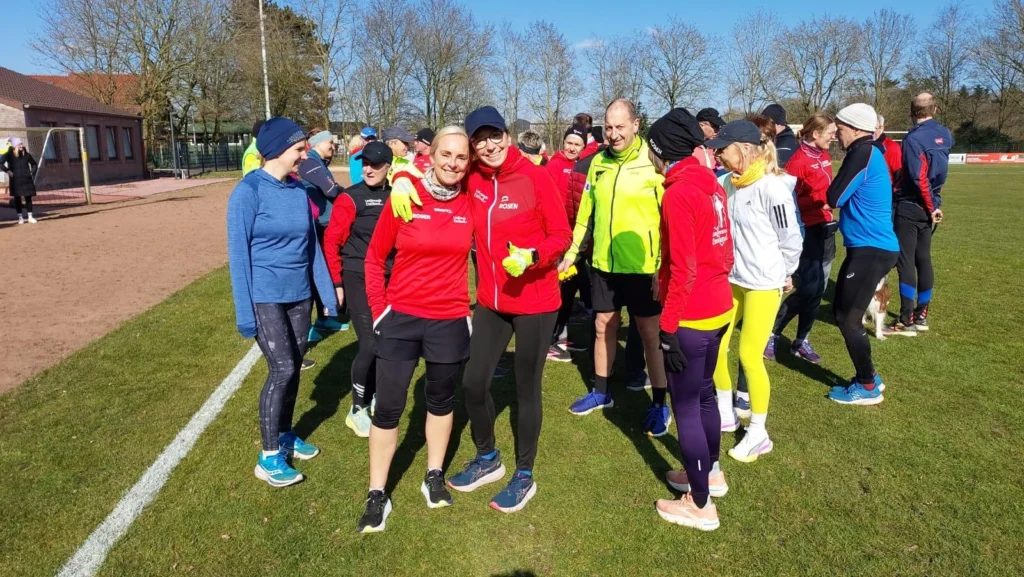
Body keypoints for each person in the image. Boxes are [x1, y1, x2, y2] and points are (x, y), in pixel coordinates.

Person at [390, 106, 572, 512]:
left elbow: (561, 235)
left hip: (536, 302)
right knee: (473, 383)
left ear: (506, 136)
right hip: (492, 300)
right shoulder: (473, 177)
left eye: (494, 135)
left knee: (527, 388)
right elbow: (426, 163)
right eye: (479, 138)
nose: (487, 145)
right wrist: (401, 178)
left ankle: (524, 474)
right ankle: (488, 458)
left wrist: (533, 256)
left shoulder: (535, 177)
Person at [356, 127, 474, 533]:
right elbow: (374, 260)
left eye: (461, 157)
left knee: (440, 400)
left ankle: (434, 475)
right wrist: (378, 312)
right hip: (400, 318)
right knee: (388, 406)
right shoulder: (405, 195)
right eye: (446, 154)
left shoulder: (471, 201)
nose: (453, 163)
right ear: (433, 154)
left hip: (449, 319)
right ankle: (376, 492)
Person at [227, 117, 339, 488]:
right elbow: (239, 258)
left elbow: (312, 250)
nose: (304, 155)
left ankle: (287, 433)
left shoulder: (297, 192)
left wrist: (326, 295)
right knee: (284, 369)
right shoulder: (248, 193)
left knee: (292, 371)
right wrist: (246, 315)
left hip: (299, 297)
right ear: (276, 151)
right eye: (299, 149)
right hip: (265, 297)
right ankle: (269, 455)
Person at [559, 98, 670, 438]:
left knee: (650, 336)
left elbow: (669, 220)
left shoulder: (653, 163)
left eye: (620, 127)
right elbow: (585, 215)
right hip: (603, 264)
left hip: (643, 266)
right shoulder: (597, 164)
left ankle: (660, 403)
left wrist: (663, 268)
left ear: (636, 125)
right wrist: (573, 253)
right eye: (608, 127)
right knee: (602, 326)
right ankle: (601, 391)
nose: (613, 134)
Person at [647, 108, 734, 531]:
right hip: (719, 308)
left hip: (693, 316)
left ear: (661, 151)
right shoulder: (711, 185)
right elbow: (724, 249)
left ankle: (699, 504)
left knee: (686, 407)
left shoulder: (679, 193)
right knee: (703, 397)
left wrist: (667, 328)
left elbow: (685, 269)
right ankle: (708, 474)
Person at [707, 119, 801, 461]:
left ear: (745, 148)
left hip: (763, 283)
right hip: (732, 280)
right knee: (714, 344)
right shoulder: (727, 183)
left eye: (723, 149)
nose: (718, 155)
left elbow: (790, 237)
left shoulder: (772, 187)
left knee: (749, 355)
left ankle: (759, 433)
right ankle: (725, 413)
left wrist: (787, 272)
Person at [825, 103, 900, 405]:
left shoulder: (862, 152)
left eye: (840, 129)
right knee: (843, 314)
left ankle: (867, 386)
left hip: (872, 249)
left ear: (855, 129)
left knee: (849, 319)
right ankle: (869, 377)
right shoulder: (870, 151)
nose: (836, 135)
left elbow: (835, 196)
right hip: (869, 248)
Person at [323, 141, 393, 438]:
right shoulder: (350, 198)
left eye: (376, 164)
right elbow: (331, 241)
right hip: (357, 276)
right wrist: (336, 283)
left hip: (390, 279)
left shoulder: (397, 196)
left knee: (387, 342)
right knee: (369, 343)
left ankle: (376, 396)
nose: (368, 168)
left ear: (389, 166)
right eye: (365, 163)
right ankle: (357, 408)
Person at [768, 113, 838, 364]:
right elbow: (790, 201)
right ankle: (772, 333)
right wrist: (823, 201)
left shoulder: (825, 155)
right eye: (830, 132)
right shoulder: (797, 162)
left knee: (818, 290)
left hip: (827, 229)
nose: (834, 136)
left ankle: (801, 340)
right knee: (808, 288)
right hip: (808, 231)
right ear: (814, 133)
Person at [885, 93, 952, 335]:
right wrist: (935, 203)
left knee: (906, 261)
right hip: (929, 206)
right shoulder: (945, 134)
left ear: (912, 112)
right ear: (935, 108)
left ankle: (906, 320)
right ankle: (921, 315)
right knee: (923, 259)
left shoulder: (913, 139)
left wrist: (931, 205)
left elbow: (918, 176)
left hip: (912, 206)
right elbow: (941, 175)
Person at [545, 124, 589, 361]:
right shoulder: (554, 165)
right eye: (569, 143)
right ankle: (550, 341)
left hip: (576, 237)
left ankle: (562, 336)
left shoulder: (583, 166)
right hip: (558, 236)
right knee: (559, 287)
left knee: (570, 287)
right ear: (563, 143)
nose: (572, 148)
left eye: (577, 144)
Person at [299, 128, 348, 342]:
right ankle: (321, 319)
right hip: (319, 225)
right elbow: (331, 190)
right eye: (330, 142)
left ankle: (326, 316)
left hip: (324, 224)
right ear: (318, 143)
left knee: (325, 270)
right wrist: (354, 195)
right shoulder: (310, 162)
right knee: (320, 272)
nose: (334, 146)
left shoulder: (318, 162)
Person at [1, 138, 39, 224]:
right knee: (17, 198)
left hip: (26, 180)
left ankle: (30, 216)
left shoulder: (26, 155)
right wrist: (7, 170)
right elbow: (0, 163)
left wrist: (32, 172)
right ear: (15, 146)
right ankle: (20, 217)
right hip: (15, 180)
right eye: (19, 145)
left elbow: (34, 164)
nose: (21, 146)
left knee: (28, 198)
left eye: (21, 144)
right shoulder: (8, 155)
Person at [762, 104, 798, 168]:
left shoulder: (785, 147)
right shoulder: (780, 139)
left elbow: (773, 169)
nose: (764, 127)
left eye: (766, 124)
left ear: (778, 124)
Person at [874, 114, 902, 187]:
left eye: (875, 128)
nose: (872, 132)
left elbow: (899, 175)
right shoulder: (864, 146)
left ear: (882, 128)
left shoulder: (892, 147)